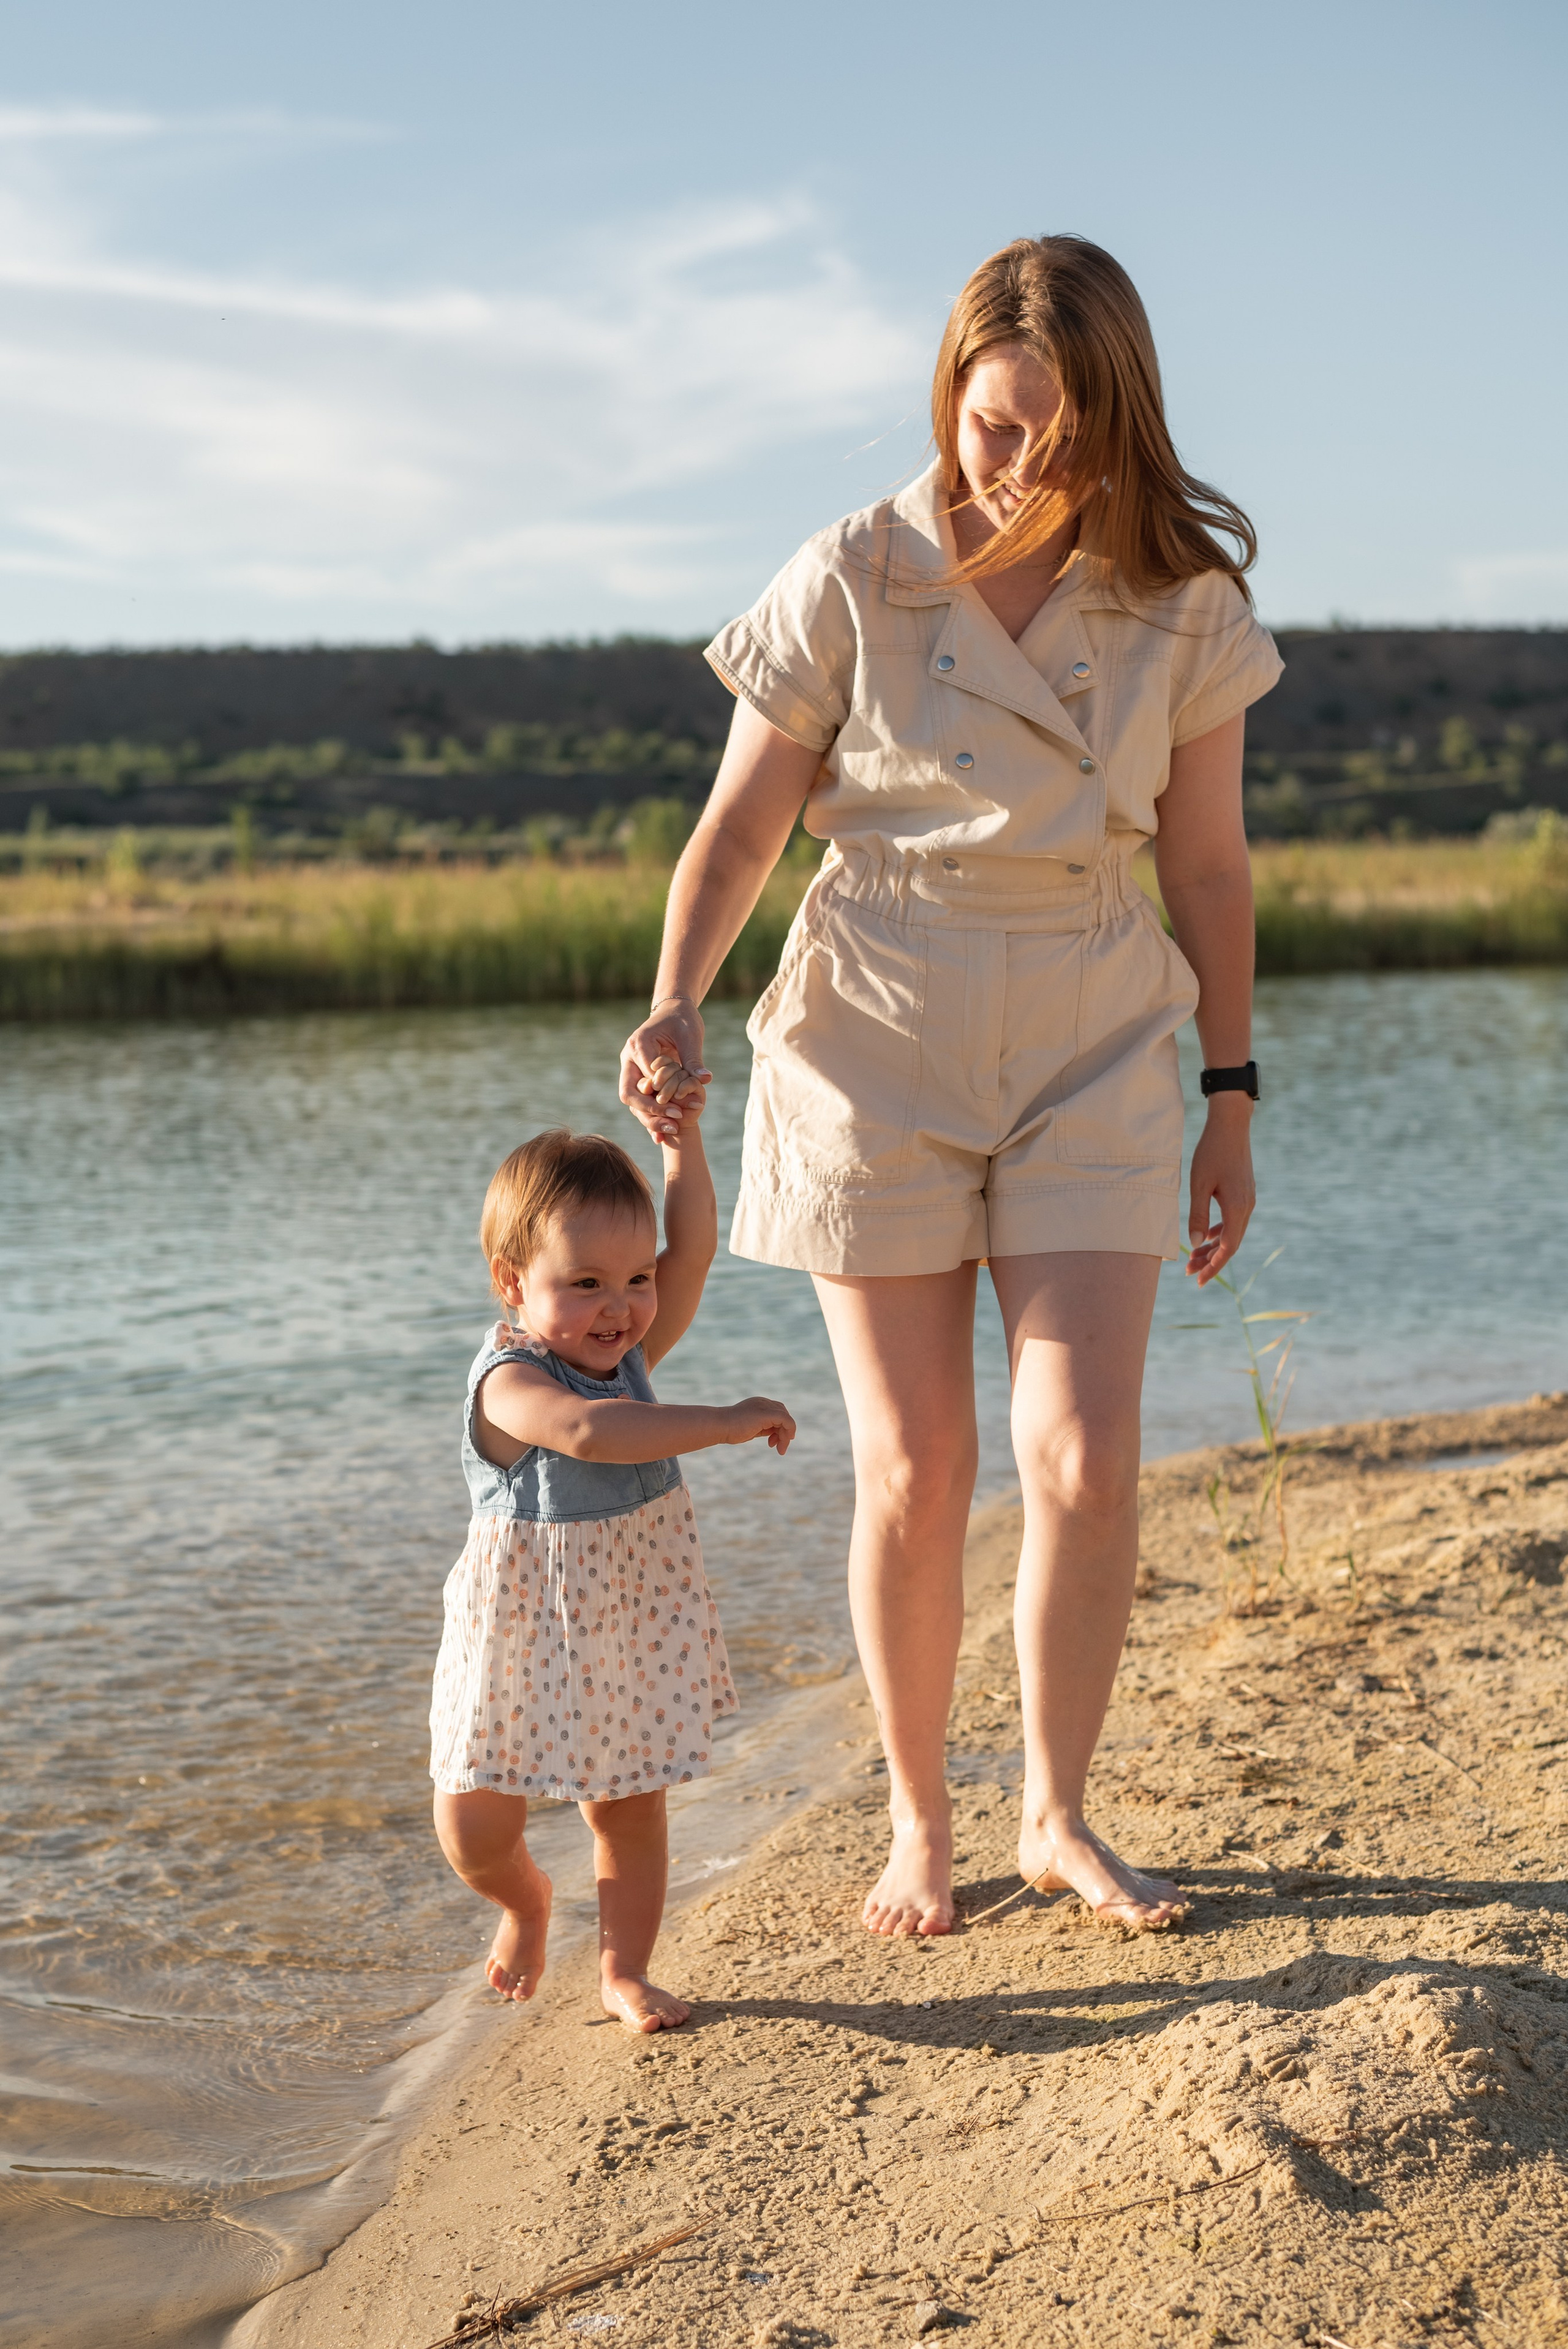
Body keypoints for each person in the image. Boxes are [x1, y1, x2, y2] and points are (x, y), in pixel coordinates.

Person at [619, 233, 1282, 1939]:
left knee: (1081, 1451)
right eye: (993, 428)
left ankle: (1056, 1813)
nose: (1018, 470)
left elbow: (1207, 871)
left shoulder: (1185, 601)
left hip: (1094, 1021)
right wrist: (677, 999)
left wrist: (1232, 1091)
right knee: (915, 1465)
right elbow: (744, 823)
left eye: (1058, 442)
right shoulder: (854, 568)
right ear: (952, 400)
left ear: (1120, 422)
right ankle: (922, 1820)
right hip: (874, 1024)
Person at [428, 1121, 795, 2031]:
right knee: (475, 1828)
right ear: (515, 1283)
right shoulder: (510, 1384)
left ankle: (625, 1971)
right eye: (585, 1283)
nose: (621, 1307)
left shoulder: (624, 1355)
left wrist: (683, 1147)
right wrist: (724, 1418)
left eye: (635, 1280)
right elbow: (591, 1434)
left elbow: (696, 1250)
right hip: (518, 1628)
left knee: (627, 1810)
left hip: (627, 1618)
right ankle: (524, 1902)